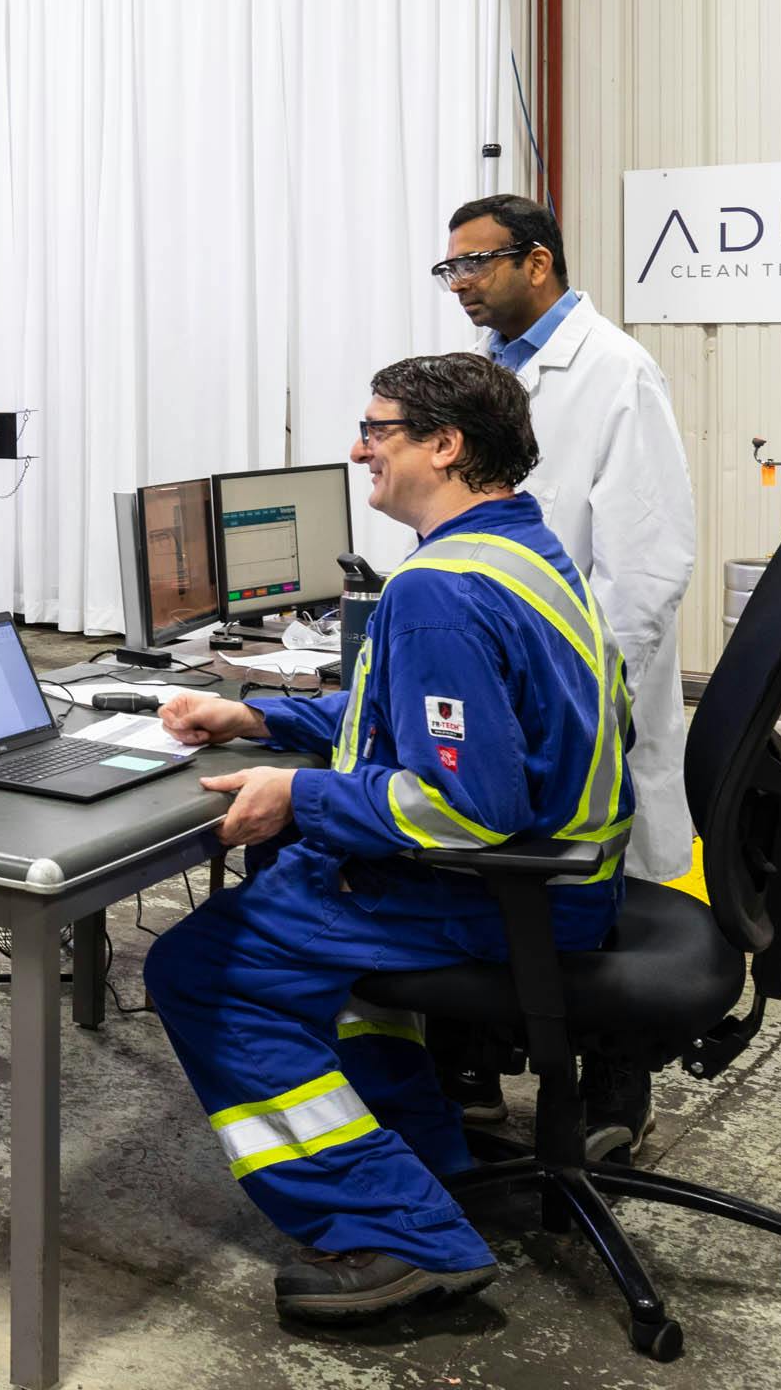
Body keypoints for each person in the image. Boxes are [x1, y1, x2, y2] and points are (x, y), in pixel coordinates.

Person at [145, 352, 632, 1326]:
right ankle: (425, 1156)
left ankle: (403, 1234)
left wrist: (300, 795)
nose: (359, 447)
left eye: (379, 428)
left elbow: (465, 808)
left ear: (445, 445)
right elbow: (424, 719)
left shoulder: (439, 589)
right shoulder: (522, 548)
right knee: (312, 941)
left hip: (507, 888)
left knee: (206, 966)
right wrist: (261, 721)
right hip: (567, 877)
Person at [439, 192, 695, 1156]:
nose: (460, 283)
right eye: (450, 269)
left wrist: (585, 696)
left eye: (476, 264)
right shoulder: (486, 374)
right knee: (465, 836)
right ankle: (466, 1061)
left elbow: (648, 563)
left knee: (602, 875)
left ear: (536, 263)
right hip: (508, 676)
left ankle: (619, 1087)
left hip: (584, 692)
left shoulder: (618, 373)